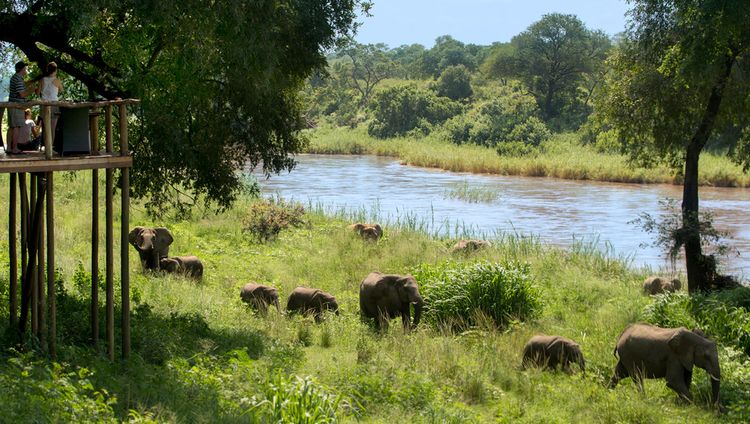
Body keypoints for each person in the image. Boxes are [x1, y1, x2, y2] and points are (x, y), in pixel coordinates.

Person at [7, 61, 37, 154]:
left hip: (12, 105)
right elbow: (22, 94)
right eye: (25, 68)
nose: (26, 70)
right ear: (22, 69)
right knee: (16, 127)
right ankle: (15, 148)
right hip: (17, 106)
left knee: (12, 127)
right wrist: (32, 90)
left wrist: (33, 81)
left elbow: (23, 85)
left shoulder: (16, 78)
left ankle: (9, 148)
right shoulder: (18, 79)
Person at [38, 61, 64, 133]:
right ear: (55, 70)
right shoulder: (57, 80)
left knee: (45, 128)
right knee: (53, 129)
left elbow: (37, 92)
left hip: (44, 104)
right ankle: (51, 144)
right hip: (54, 104)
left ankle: (46, 144)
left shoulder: (42, 80)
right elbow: (61, 90)